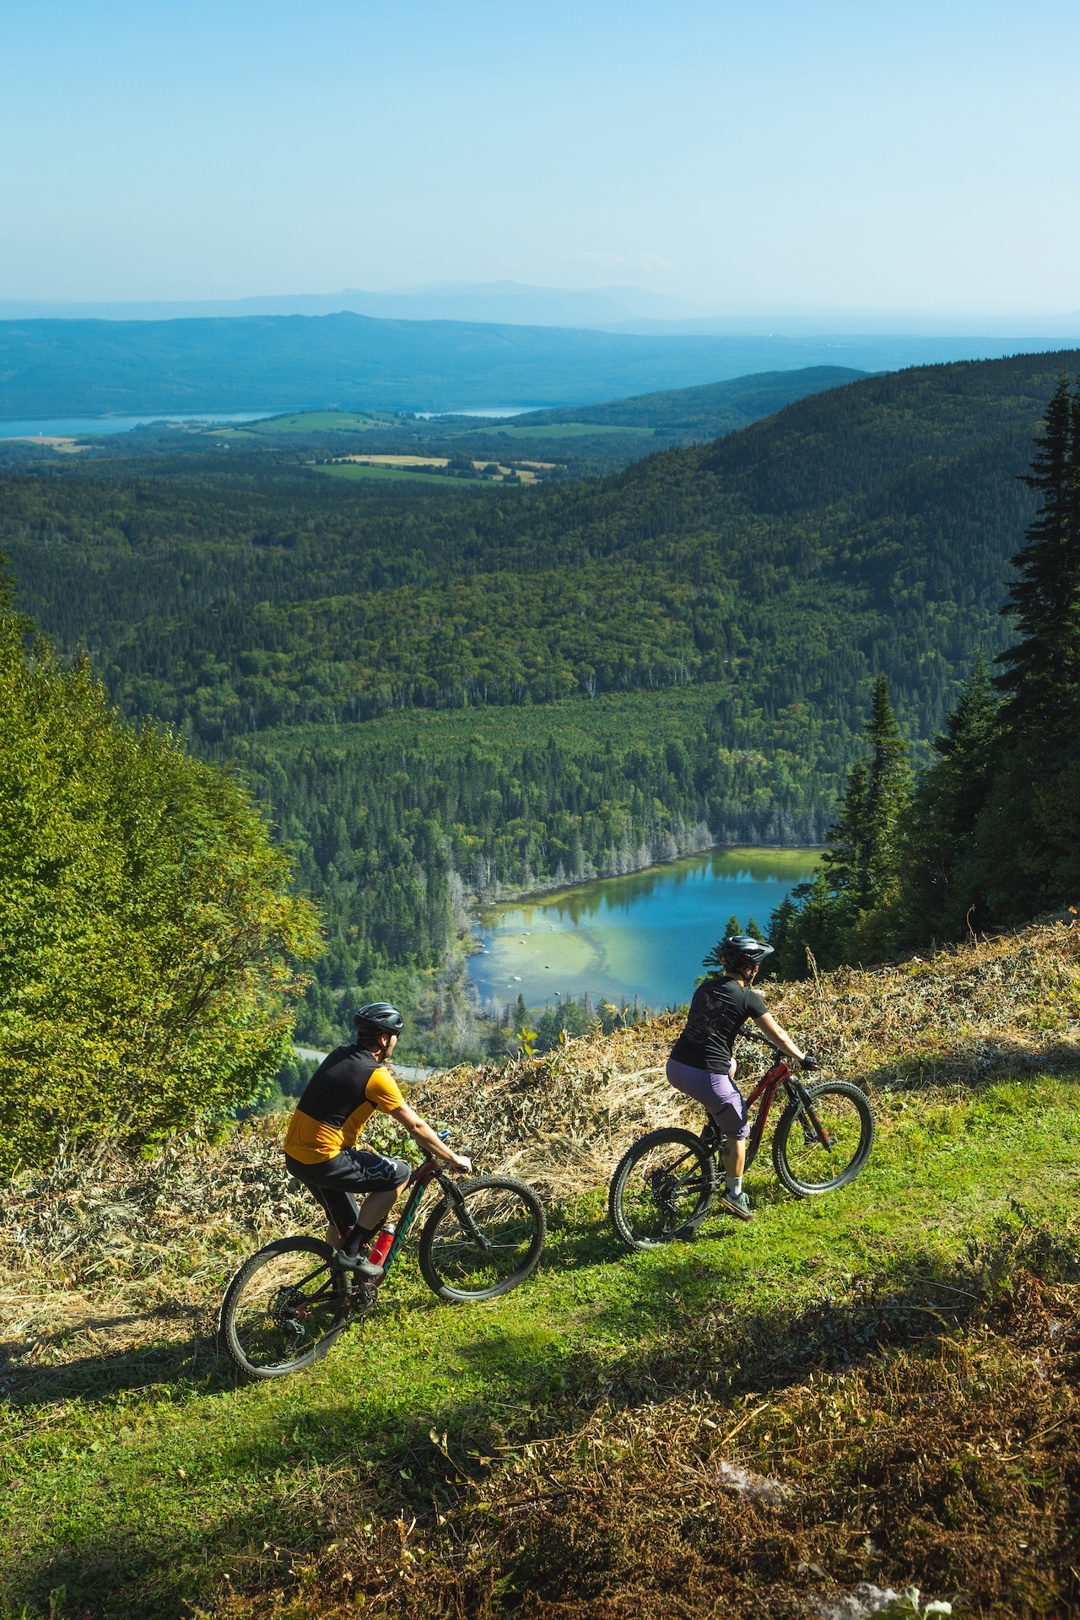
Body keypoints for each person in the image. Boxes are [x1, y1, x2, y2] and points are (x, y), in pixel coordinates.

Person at [283, 1002, 471, 1280]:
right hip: (325, 1159)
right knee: (400, 1174)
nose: (395, 1042)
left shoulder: (338, 1055)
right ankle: (352, 1254)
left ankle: (340, 1292)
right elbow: (416, 1126)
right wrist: (453, 1158)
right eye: (395, 1036)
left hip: (296, 1157)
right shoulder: (376, 1075)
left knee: (345, 1222)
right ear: (384, 1039)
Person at [666, 935, 817, 1222]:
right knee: (738, 1128)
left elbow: (710, 1021)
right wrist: (800, 1057)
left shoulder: (706, 987)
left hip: (677, 1066)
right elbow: (779, 1036)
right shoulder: (749, 997)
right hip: (705, 1074)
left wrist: (740, 1028)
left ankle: (711, 1135)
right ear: (752, 969)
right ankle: (734, 1195)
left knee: (730, 1066)